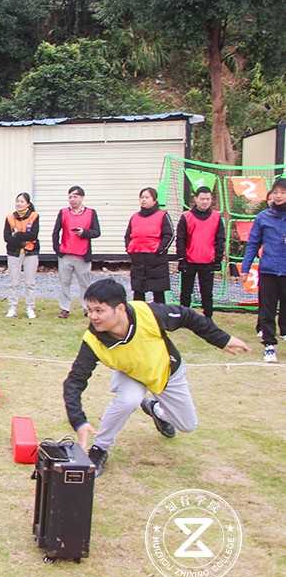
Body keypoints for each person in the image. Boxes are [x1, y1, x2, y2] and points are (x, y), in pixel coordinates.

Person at [62, 279, 248, 477]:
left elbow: (188, 316)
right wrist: (79, 421)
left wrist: (223, 339)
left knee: (188, 425)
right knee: (128, 401)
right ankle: (99, 449)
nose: (93, 316)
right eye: (89, 310)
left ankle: (156, 410)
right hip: (131, 374)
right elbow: (74, 381)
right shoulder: (92, 341)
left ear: (120, 308)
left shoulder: (149, 314)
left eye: (99, 310)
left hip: (166, 371)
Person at [241, 177, 286, 363]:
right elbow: (253, 243)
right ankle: (269, 345)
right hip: (268, 270)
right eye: (276, 192)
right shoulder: (263, 217)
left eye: (283, 192)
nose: (279, 195)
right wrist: (245, 268)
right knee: (267, 309)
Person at [52, 186, 101, 318]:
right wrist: (57, 248)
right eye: (70, 197)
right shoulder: (63, 212)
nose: (72, 199)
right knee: (64, 282)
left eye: (75, 196)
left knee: (84, 283)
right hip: (65, 254)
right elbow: (56, 231)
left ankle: (86, 307)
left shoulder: (91, 213)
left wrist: (84, 233)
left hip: (82, 254)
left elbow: (97, 232)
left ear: (82, 198)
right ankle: (64, 308)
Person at [175, 186, 224, 319]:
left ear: (211, 200)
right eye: (202, 199)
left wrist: (218, 259)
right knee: (186, 292)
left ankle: (208, 318)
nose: (205, 202)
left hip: (208, 262)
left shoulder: (216, 217)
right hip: (189, 261)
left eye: (208, 199)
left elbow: (220, 239)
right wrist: (181, 259)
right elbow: (180, 239)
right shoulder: (186, 217)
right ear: (196, 199)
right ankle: (184, 317)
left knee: (207, 293)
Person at [125, 187, 173, 304]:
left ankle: (160, 314)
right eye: (141, 197)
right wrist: (129, 249)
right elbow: (128, 236)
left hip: (156, 260)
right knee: (138, 292)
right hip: (138, 260)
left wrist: (160, 250)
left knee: (158, 292)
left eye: (147, 197)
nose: (143, 200)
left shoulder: (162, 215)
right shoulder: (134, 217)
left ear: (154, 200)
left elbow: (169, 235)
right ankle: (139, 313)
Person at [2, 192, 39, 319]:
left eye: (22, 201)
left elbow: (33, 235)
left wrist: (17, 235)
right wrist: (22, 240)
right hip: (14, 252)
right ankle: (12, 307)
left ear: (28, 204)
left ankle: (30, 308)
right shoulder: (9, 217)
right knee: (13, 282)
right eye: (17, 201)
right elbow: (7, 237)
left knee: (30, 282)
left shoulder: (34, 216)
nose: (19, 203)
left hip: (31, 252)